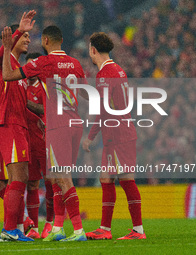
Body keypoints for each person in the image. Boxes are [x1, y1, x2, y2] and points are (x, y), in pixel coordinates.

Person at [1, 25, 88, 241]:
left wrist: (5, 48)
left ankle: (78, 230)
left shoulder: (44, 62)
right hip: (75, 122)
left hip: (58, 125)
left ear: (46, 40)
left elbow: (7, 74)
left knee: (63, 178)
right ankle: (58, 227)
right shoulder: (75, 63)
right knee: (57, 177)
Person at [83, 32, 146, 240]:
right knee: (106, 179)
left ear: (93, 50)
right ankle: (105, 229)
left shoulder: (105, 74)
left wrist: (90, 136)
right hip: (118, 133)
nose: (89, 55)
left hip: (118, 134)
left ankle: (137, 230)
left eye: (89, 50)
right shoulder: (117, 70)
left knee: (126, 180)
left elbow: (103, 108)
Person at [0, 10, 36, 242]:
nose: (28, 39)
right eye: (25, 37)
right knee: (19, 177)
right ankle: (9, 230)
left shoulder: (18, 69)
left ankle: (17, 226)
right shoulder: (3, 63)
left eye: (28, 37)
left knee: (11, 181)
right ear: (12, 40)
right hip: (10, 125)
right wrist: (18, 30)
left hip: (17, 126)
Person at [23, 52, 53, 239]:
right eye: (27, 66)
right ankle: (33, 225)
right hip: (27, 142)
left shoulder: (45, 86)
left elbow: (47, 108)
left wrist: (24, 104)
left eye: (33, 66)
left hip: (44, 141)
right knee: (32, 184)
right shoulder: (21, 86)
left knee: (50, 182)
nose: (29, 70)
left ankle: (50, 223)